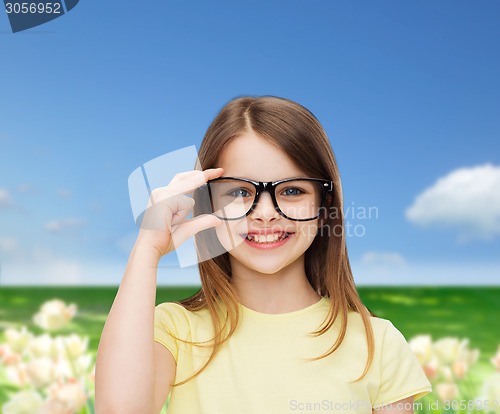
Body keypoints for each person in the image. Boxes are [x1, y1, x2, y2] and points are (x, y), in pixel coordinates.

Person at [94, 96, 432, 414]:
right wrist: (147, 250)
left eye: (292, 190)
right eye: (241, 191)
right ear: (207, 203)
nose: (266, 213)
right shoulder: (174, 329)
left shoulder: (378, 342)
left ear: (324, 206)